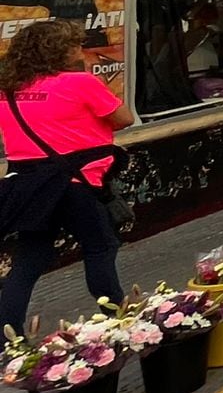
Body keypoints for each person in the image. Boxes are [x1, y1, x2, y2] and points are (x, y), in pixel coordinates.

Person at [0, 19, 130, 335]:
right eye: (74, 45)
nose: (79, 50)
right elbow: (124, 119)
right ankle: (118, 321)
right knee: (100, 248)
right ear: (58, 50)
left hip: (28, 185)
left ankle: (7, 336)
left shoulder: (8, 90)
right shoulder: (79, 83)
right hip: (77, 184)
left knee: (30, 259)